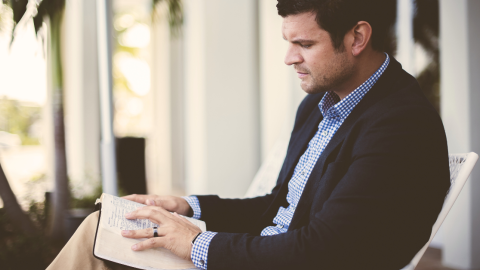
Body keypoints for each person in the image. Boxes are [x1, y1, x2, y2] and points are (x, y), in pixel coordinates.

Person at [47, 0, 450, 269]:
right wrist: (186, 207)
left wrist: (195, 243)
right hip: (260, 254)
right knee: (105, 229)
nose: (290, 58)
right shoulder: (321, 104)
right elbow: (280, 205)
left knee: (98, 242)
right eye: (288, 42)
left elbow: (322, 250)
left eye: (305, 44)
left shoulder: (400, 125)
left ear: (357, 38)